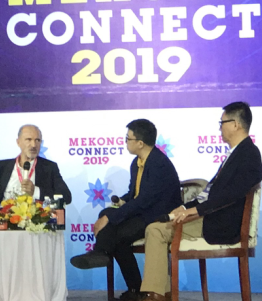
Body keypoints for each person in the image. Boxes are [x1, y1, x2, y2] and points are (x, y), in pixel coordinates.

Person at [139, 102, 262, 301]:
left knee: (156, 230)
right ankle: (161, 293)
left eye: (222, 123)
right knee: (157, 225)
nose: (219, 128)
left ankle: (157, 295)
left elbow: (231, 195)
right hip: (211, 217)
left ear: (236, 124)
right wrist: (184, 207)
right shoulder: (236, 153)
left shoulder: (249, 154)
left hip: (221, 224)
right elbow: (210, 193)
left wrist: (195, 212)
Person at [70, 119, 181, 301]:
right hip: (143, 211)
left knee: (118, 233)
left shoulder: (158, 164)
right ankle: (134, 288)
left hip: (158, 216)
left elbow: (144, 200)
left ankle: (100, 253)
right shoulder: (136, 163)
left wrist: (112, 217)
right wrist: (117, 206)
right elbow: (133, 194)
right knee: (107, 217)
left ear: (140, 143)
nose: (125, 142)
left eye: (128, 138)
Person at [0, 124, 71, 212]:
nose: (33, 145)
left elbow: (66, 197)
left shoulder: (49, 168)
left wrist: (35, 191)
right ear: (18, 142)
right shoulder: (0, 167)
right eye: (28, 140)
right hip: (3, 220)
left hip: (35, 221)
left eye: (37, 140)